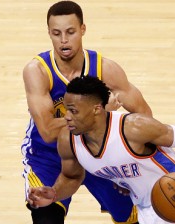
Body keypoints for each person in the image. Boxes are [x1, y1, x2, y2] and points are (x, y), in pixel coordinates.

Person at [21, 1, 153, 223]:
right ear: (49, 34)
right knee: (45, 216)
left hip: (98, 153)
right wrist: (95, 115)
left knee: (132, 219)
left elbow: (145, 116)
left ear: (83, 29)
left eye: (70, 32)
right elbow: (47, 131)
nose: (63, 40)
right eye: (56, 33)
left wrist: (135, 163)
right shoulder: (37, 71)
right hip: (50, 156)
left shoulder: (106, 69)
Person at [27, 76, 175, 224]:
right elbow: (71, 177)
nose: (66, 117)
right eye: (67, 110)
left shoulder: (133, 127)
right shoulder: (68, 139)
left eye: (73, 111)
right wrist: (54, 193)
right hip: (145, 208)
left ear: (96, 109)